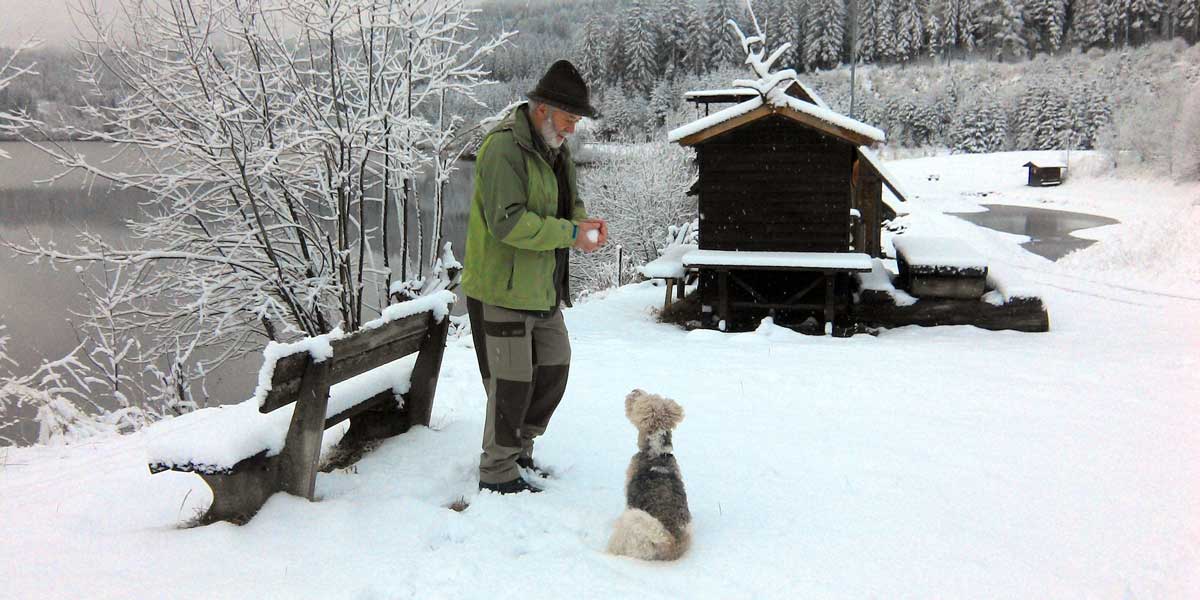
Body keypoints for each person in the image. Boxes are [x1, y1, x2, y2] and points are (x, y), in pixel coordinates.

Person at [462, 59, 607, 494]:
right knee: (510, 386)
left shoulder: (558, 152)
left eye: (577, 121)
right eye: (569, 118)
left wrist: (582, 226)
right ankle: (498, 472)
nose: (573, 129)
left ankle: (520, 450)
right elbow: (508, 223)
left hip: (543, 289)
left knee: (553, 371)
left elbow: (571, 206)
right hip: (501, 290)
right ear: (542, 108)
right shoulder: (503, 149)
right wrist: (568, 233)